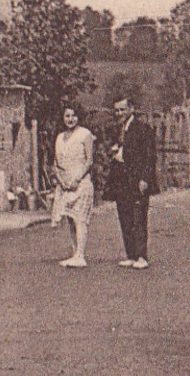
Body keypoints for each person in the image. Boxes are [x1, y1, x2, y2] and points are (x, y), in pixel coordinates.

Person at [106, 96, 159, 269]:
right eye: (116, 110)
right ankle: (131, 254)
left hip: (137, 179)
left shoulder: (143, 129)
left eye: (122, 109)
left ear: (131, 109)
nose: (119, 113)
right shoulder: (117, 129)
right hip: (121, 178)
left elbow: (150, 157)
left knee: (138, 217)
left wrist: (145, 178)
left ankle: (142, 256)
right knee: (124, 216)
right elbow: (117, 148)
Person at [51, 104, 96, 268]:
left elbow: (89, 160)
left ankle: (81, 255)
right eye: (67, 116)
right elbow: (55, 163)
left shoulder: (85, 134)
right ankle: (74, 253)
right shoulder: (59, 137)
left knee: (80, 218)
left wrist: (77, 179)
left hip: (80, 183)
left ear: (79, 117)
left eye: (74, 116)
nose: (70, 119)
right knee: (69, 218)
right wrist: (61, 181)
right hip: (64, 184)